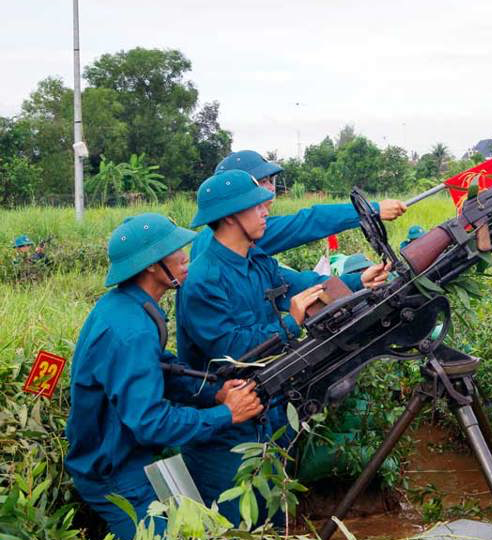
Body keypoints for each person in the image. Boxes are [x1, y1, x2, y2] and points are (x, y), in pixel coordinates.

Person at [174, 170, 391, 527]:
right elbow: (234, 352)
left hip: (266, 411)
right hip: (225, 429)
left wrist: (356, 281)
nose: (265, 211)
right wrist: (290, 321)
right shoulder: (203, 280)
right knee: (238, 525)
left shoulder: (256, 260)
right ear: (229, 216)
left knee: (275, 519)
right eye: (256, 206)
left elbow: (299, 285)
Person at [64, 214, 263, 540]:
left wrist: (213, 392)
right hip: (112, 471)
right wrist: (226, 414)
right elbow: (150, 422)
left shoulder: (130, 306)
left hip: (131, 457)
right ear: (152, 266)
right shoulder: (132, 331)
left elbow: (163, 368)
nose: (186, 257)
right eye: (176, 251)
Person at [191, 150, 407, 260]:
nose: (271, 189)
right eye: (262, 182)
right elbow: (307, 222)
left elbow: (273, 275)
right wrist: (372, 210)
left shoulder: (211, 237)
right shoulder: (239, 233)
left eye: (270, 181)